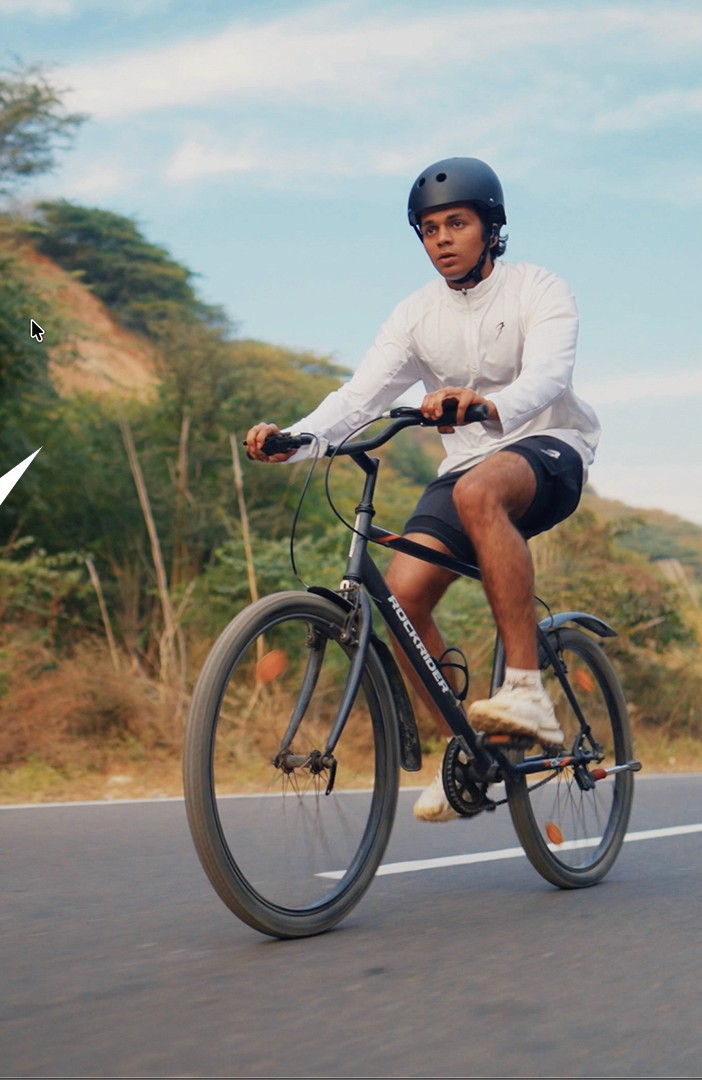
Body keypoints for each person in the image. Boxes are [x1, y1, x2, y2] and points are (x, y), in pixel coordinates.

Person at [244, 156, 600, 823]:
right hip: (466, 468)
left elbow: (550, 377)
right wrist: (293, 440)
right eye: (430, 228)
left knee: (477, 493)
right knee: (401, 599)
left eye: (457, 223)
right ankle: (464, 749)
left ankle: (525, 687)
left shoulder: (539, 289)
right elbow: (358, 397)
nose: (442, 238)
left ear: (491, 228)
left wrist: (487, 405)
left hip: (549, 450)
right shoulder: (416, 315)